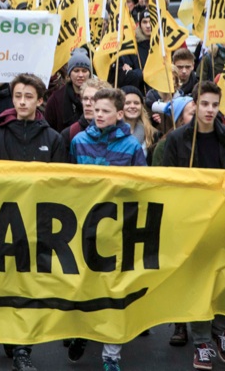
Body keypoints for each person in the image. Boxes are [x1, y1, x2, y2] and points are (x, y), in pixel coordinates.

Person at [0, 73, 67, 371]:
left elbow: (62, 182)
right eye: (18, 96)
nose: (22, 102)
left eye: (29, 97)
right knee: (6, 284)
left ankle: (22, 348)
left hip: (39, 226)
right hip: (5, 223)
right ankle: (10, 334)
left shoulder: (52, 138)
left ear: (40, 101)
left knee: (30, 286)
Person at [161, 81, 225, 366]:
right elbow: (166, 177)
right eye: (205, 104)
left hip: (223, 217)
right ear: (195, 105)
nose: (210, 110)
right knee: (198, 280)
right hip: (190, 220)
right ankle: (201, 340)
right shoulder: (176, 140)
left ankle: (221, 331)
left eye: (215, 104)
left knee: (224, 277)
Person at [64, 87, 146, 370]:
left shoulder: (133, 148)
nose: (98, 114)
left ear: (119, 114)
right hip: (84, 229)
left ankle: (111, 355)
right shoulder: (78, 142)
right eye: (95, 110)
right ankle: (83, 333)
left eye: (105, 111)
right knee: (83, 287)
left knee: (115, 293)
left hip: (118, 230)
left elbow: (142, 189)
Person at [44, 49, 92, 132]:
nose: (80, 75)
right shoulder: (56, 99)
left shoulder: (99, 97)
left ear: (90, 73)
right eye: (76, 71)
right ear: (69, 73)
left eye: (84, 71)